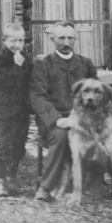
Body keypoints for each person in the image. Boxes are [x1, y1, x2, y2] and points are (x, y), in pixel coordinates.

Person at [29, 22, 97, 202]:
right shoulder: (43, 65)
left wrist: (85, 117)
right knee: (61, 135)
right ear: (52, 39)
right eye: (61, 38)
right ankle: (46, 187)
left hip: (82, 118)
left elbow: (97, 94)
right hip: (53, 120)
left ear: (75, 39)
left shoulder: (86, 64)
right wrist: (57, 119)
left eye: (70, 38)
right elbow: (38, 97)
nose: (66, 42)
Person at [0, 22, 32, 197]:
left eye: (21, 41)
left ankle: (12, 176)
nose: (17, 45)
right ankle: (1, 181)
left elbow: (31, 77)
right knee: (5, 145)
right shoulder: (0, 59)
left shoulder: (25, 57)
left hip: (22, 109)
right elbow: (7, 82)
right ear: (4, 40)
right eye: (13, 41)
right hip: (6, 109)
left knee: (19, 145)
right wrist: (16, 66)